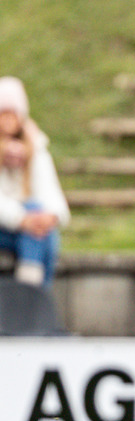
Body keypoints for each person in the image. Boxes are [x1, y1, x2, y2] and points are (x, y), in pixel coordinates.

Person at [0, 77, 70, 289]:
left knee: (44, 231)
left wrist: (51, 216)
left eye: (12, 113)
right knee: (40, 233)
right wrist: (22, 219)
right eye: (3, 113)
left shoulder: (35, 148)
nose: (7, 120)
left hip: (26, 227)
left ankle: (32, 291)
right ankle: (35, 294)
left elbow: (51, 191)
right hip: (7, 225)